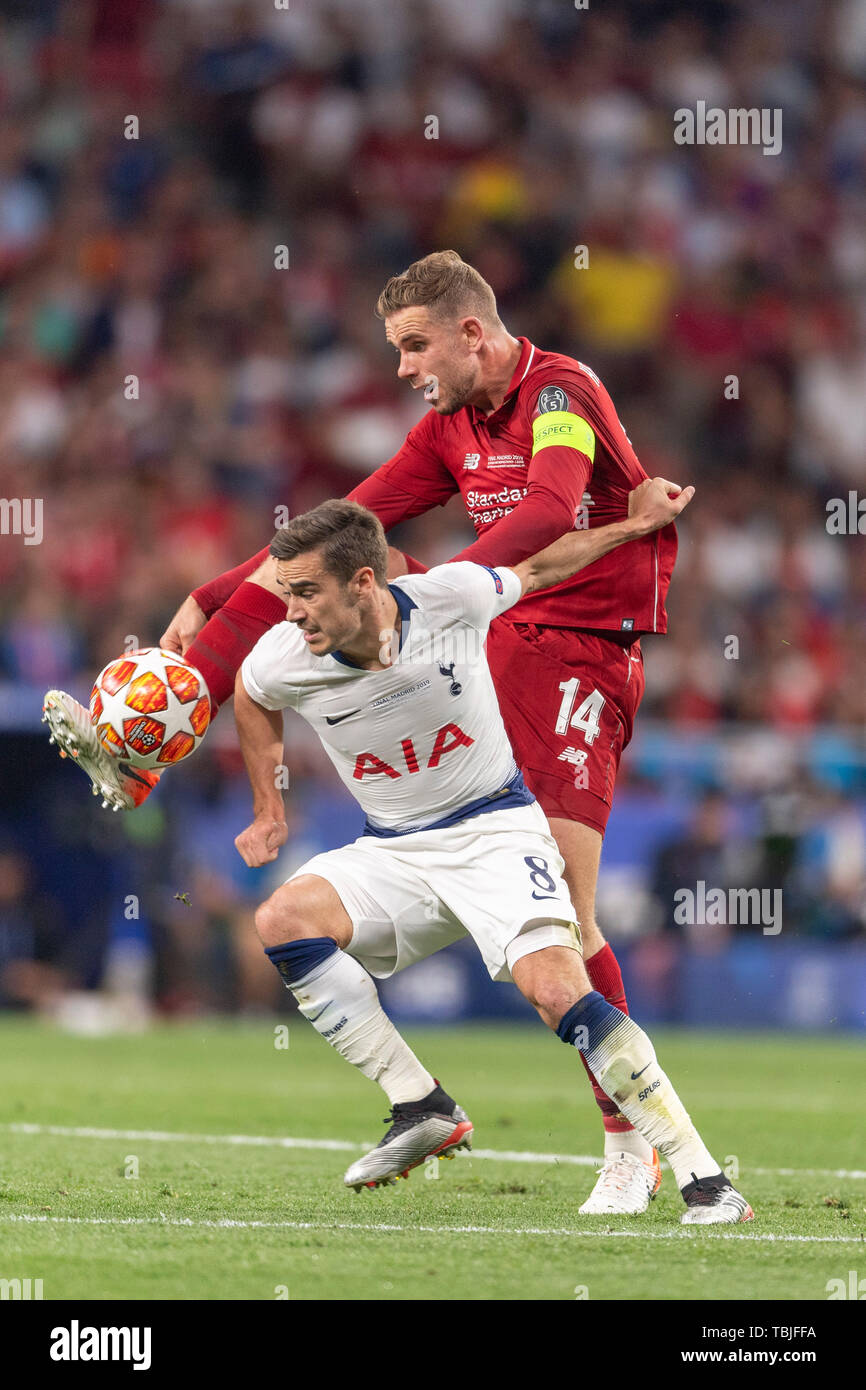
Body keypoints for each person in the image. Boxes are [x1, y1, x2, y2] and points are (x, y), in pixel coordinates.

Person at [44, 250, 683, 1214]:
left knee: (571, 911)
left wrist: (437, 596)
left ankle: (634, 1144)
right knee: (317, 590)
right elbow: (344, 527)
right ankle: (149, 747)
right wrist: (213, 592)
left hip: (581, 645)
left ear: (474, 331)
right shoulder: (449, 425)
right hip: (501, 626)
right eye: (394, 349)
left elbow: (552, 508)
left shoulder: (561, 391)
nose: (402, 368)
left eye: (414, 345)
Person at [229, 496, 750, 1225]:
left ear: (364, 584)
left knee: (555, 992)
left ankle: (706, 1179)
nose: (293, 614)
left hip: (495, 833)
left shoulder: (452, 598)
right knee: (284, 919)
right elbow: (250, 697)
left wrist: (633, 527)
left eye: (307, 593)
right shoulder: (284, 659)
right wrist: (268, 807)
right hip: (397, 850)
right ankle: (420, 1104)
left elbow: (537, 565)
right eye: (287, 596)